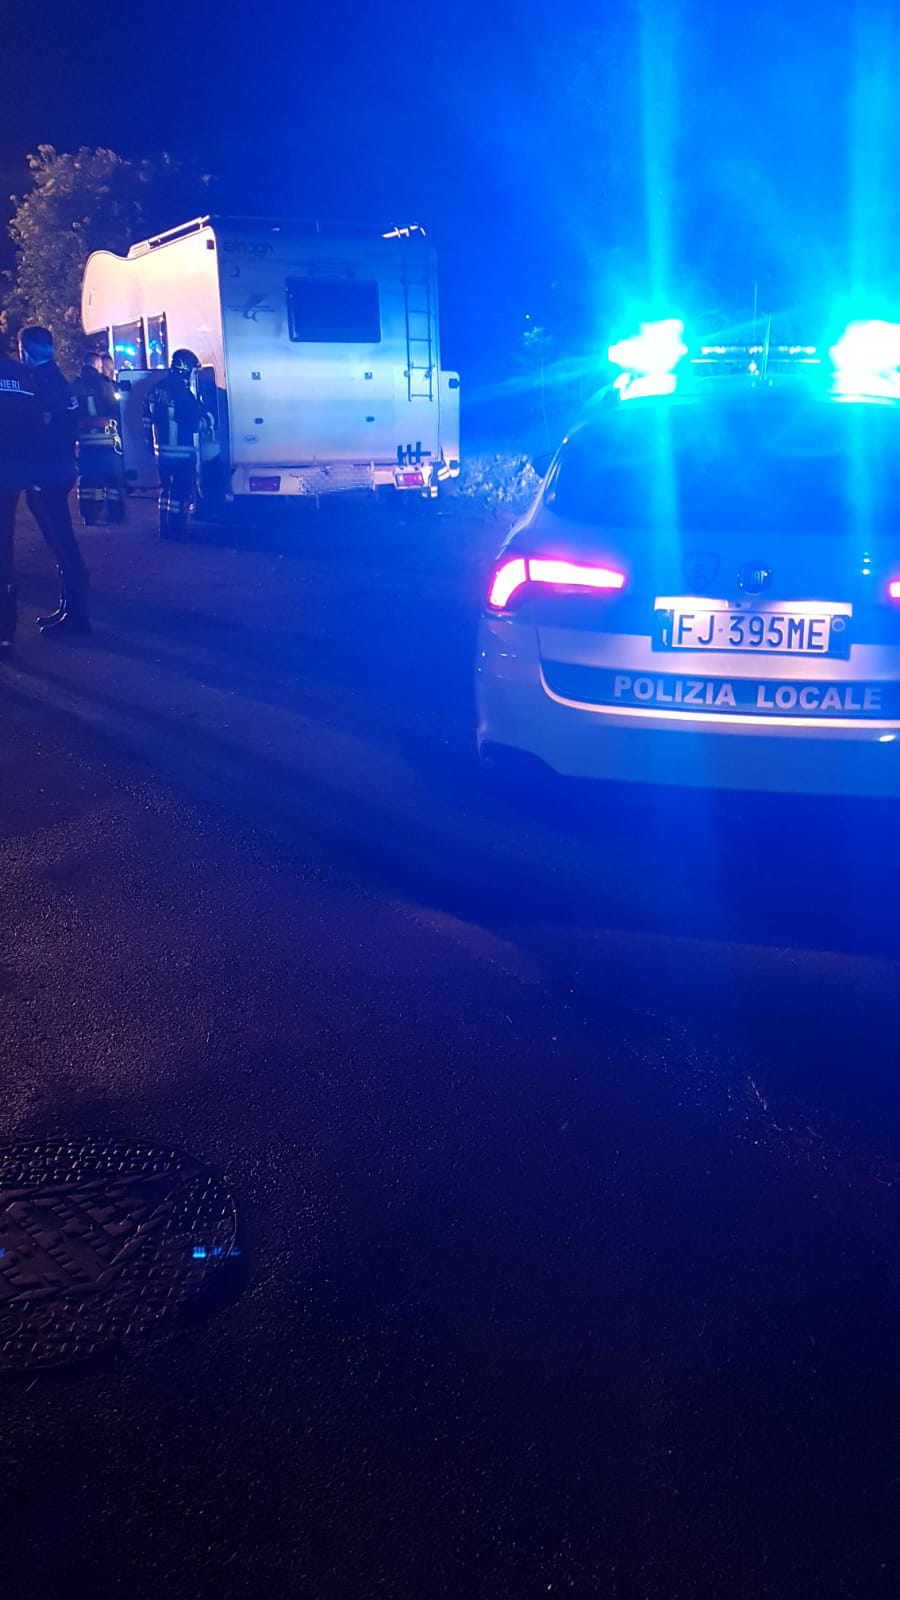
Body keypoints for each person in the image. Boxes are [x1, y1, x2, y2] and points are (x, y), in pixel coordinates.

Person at [18, 326, 90, 635]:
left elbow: (38, 435)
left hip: (46, 476)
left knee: (61, 543)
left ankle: (76, 615)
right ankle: (68, 606)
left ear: (25, 351)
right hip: (60, 470)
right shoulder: (58, 381)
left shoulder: (39, 386)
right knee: (62, 541)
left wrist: (33, 476)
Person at [0, 354, 42, 657]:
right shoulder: (20, 375)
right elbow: (35, 425)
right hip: (10, 475)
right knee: (3, 550)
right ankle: (5, 633)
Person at [145, 348, 207, 539]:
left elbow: (146, 419)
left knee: (166, 491)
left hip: (162, 452)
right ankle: (177, 529)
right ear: (185, 368)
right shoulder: (183, 393)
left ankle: (164, 527)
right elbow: (193, 423)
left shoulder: (156, 389)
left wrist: (149, 443)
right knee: (181, 493)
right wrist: (209, 420)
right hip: (182, 452)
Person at [74, 350, 124, 525]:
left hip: (86, 444)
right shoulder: (105, 383)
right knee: (113, 480)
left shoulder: (75, 385)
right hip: (106, 441)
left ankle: (89, 515)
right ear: (97, 365)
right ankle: (115, 515)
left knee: (89, 481)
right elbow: (116, 408)